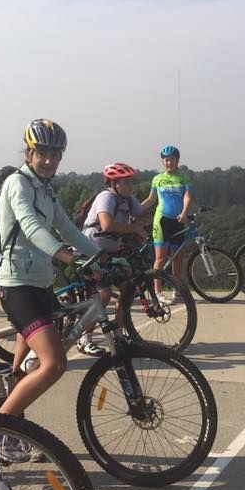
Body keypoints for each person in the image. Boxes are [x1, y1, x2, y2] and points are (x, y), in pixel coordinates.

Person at [0, 119, 99, 418]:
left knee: (31, 363)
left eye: (55, 155)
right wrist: (67, 257)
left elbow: (69, 229)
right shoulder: (18, 183)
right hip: (18, 285)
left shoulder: (46, 190)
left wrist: (102, 257)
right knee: (54, 363)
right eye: (43, 153)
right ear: (29, 154)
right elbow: (30, 227)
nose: (49, 161)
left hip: (41, 284)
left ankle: (12, 417)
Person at [76, 162, 153, 356]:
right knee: (104, 294)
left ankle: (119, 334)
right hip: (90, 252)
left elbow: (145, 215)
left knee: (128, 288)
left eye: (130, 182)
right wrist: (134, 228)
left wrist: (141, 221)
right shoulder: (106, 197)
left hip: (109, 253)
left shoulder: (128, 200)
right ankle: (84, 339)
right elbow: (107, 224)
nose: (130, 186)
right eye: (125, 182)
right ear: (114, 184)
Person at [144, 145, 193, 304]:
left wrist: (185, 212)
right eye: (165, 160)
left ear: (177, 160)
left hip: (178, 220)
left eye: (171, 159)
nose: (168, 163)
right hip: (161, 220)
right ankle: (157, 292)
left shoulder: (183, 178)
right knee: (160, 258)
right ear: (162, 161)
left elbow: (187, 196)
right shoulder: (157, 179)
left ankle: (176, 290)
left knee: (178, 258)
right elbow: (151, 199)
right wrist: (136, 209)